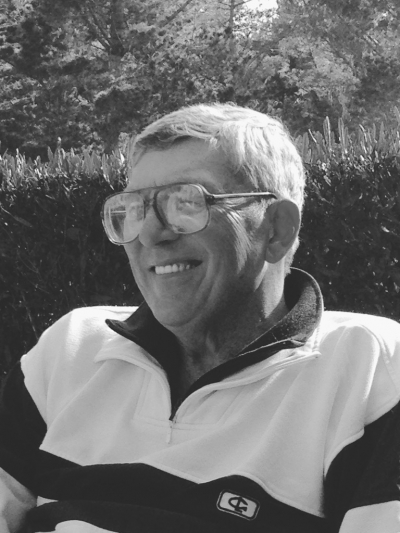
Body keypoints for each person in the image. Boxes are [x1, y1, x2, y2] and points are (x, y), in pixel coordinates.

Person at [0, 103, 399, 533]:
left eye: (186, 202)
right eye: (134, 208)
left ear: (277, 230)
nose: (149, 234)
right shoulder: (71, 350)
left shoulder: (369, 371)